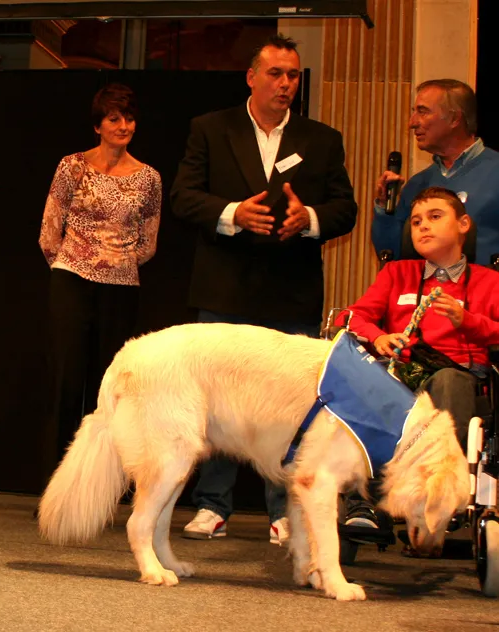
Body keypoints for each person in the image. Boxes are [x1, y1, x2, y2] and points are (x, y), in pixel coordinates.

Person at [170, 34, 358, 543]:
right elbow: (184, 197)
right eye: (275, 73)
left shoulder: (322, 139)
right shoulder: (210, 128)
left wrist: (309, 218)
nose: (285, 83)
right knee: (217, 404)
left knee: (290, 407)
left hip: (290, 294)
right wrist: (233, 213)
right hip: (224, 290)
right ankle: (212, 505)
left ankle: (284, 510)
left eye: (293, 75)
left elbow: (345, 209)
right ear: (251, 77)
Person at [341, 187, 499, 531]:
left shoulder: (490, 282)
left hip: (458, 380)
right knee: (368, 380)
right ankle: (363, 503)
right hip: (400, 378)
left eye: (434, 217)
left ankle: (439, 491)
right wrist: (378, 336)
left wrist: (467, 321)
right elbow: (350, 317)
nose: (423, 226)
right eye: (415, 222)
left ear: (463, 224)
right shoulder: (396, 273)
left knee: (448, 381)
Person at [39, 83, 161, 471]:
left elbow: (148, 243)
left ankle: (101, 475)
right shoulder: (72, 166)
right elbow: (49, 232)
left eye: (129, 118)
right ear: (98, 125)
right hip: (71, 280)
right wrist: (78, 262)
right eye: (114, 118)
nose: (123, 126)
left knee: (110, 384)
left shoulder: (149, 178)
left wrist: (115, 262)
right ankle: (60, 475)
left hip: (121, 289)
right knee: (67, 378)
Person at [372, 79, 499, 265]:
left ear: (455, 119)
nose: (412, 123)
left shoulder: (494, 171)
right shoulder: (417, 185)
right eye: (414, 112)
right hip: (427, 284)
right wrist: (385, 207)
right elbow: (391, 256)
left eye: (423, 112)